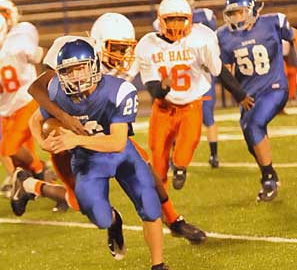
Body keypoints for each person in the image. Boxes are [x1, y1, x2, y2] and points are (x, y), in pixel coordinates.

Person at [27, 13, 206, 243]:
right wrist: (64, 123)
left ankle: (174, 220)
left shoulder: (116, 70)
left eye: (125, 49)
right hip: (68, 138)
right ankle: (32, 186)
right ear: (100, 44)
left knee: (146, 171)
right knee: (80, 202)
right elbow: (38, 102)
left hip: (102, 134)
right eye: (117, 49)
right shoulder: (73, 58)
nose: (122, 55)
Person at [11, 38, 177, 270]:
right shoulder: (57, 91)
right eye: (68, 70)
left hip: (121, 155)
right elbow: (35, 120)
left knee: (149, 205)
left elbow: (118, 143)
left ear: (94, 66)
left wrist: (75, 139)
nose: (76, 76)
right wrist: (44, 143)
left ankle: (159, 266)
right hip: (88, 160)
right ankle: (113, 221)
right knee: (98, 217)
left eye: (81, 68)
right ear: (60, 73)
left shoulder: (118, 90)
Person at [133, 0, 254, 193]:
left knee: (186, 147)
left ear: (189, 19)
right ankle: (161, 203)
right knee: (157, 158)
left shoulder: (201, 38)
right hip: (163, 108)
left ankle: (180, 168)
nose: (176, 24)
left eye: (180, 19)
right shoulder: (148, 45)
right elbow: (154, 90)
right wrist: (163, 86)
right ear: (161, 20)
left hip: (191, 105)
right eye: (171, 19)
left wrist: (239, 94)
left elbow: (219, 70)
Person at [216, 0, 296, 202]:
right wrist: (237, 92)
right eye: (231, 14)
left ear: (251, 10)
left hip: (275, 87)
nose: (235, 18)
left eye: (240, 12)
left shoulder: (273, 22)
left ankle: (268, 178)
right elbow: (225, 70)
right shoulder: (223, 36)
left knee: (254, 126)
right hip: (248, 94)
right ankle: (269, 174)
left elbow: (294, 35)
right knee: (250, 137)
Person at [0, 0, 54, 195]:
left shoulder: (18, 40)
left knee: (9, 149)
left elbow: (43, 57)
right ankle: (37, 187)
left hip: (25, 101)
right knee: (20, 155)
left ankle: (40, 171)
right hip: (6, 108)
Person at [169, 0, 219, 168]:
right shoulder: (164, 20)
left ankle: (214, 155)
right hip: (180, 72)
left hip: (201, 72)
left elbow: (212, 43)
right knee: (176, 116)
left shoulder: (204, 16)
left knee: (207, 114)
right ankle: (174, 157)